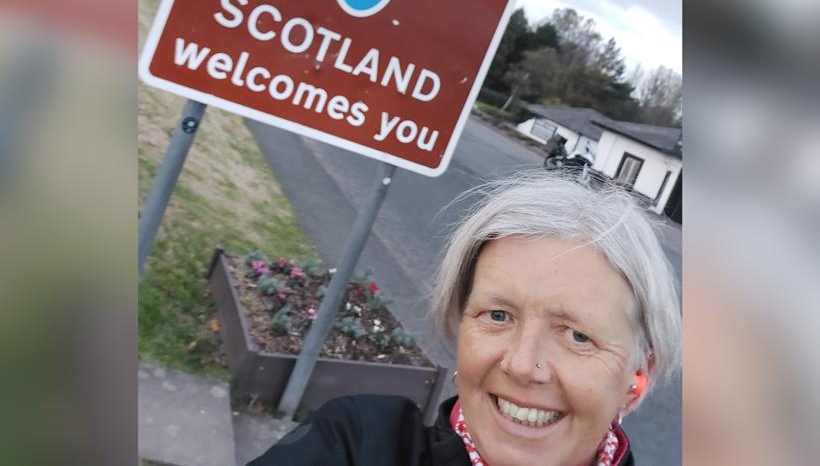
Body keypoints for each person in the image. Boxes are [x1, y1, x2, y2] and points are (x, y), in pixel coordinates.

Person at [249, 172, 681, 466]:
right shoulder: (357, 444)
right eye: (497, 315)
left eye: (578, 336)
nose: (520, 364)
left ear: (637, 378)